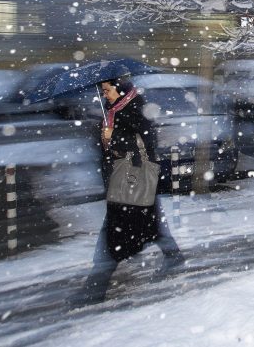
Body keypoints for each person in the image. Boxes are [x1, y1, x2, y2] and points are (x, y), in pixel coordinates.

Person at [75, 75, 185, 304]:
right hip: (126, 180)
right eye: (103, 91)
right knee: (150, 224)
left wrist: (112, 136)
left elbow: (144, 143)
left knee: (113, 236)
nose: (104, 95)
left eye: (107, 90)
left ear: (120, 89)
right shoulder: (112, 110)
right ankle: (173, 256)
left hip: (133, 180)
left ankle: (95, 289)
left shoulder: (135, 108)